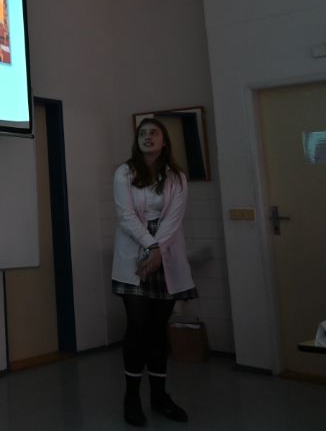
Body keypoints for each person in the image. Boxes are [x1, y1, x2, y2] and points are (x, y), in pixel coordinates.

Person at [111, 117, 196, 426]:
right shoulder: (124, 172)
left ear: (164, 141)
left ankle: (159, 397)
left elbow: (174, 217)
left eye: (154, 133)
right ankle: (131, 398)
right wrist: (152, 246)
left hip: (166, 255)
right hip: (136, 255)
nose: (147, 137)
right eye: (142, 133)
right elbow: (126, 215)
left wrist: (159, 249)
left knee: (158, 330)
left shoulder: (176, 176)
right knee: (138, 327)